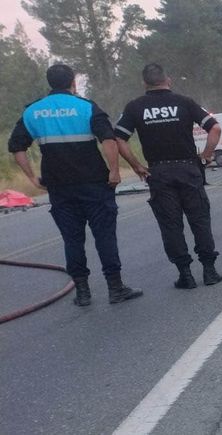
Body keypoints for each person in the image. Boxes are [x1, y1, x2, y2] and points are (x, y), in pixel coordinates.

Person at [7, 64, 142, 306]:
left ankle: (82, 292)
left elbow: (17, 148)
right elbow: (108, 140)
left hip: (59, 187)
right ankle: (115, 287)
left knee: (72, 239)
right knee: (104, 236)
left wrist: (32, 178)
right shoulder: (86, 107)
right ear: (73, 82)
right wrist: (113, 171)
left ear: (50, 83)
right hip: (94, 184)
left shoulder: (33, 112)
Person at [114, 63, 222, 289]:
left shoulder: (135, 107)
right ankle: (209, 271)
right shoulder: (184, 102)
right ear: (168, 80)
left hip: (159, 172)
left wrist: (136, 166)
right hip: (188, 169)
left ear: (144, 83)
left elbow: (119, 138)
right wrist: (206, 155)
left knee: (170, 225)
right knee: (199, 219)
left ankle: (185, 274)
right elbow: (215, 128)